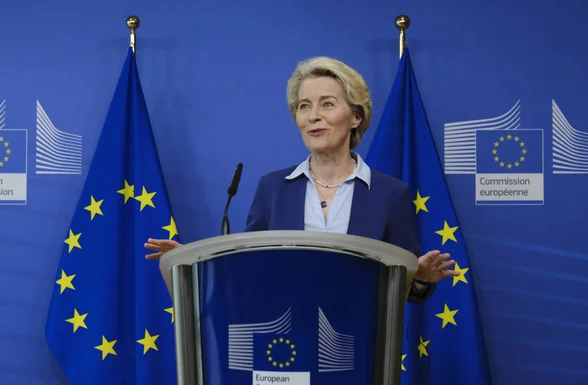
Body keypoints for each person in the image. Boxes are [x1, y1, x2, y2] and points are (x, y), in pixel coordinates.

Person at [144, 56, 459, 302]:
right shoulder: (273, 189)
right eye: (303, 106)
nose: (313, 116)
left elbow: (408, 287)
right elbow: (246, 271)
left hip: (361, 346)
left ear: (356, 117)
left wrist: (420, 278)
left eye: (327, 104)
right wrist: (188, 263)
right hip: (285, 339)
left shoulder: (390, 194)